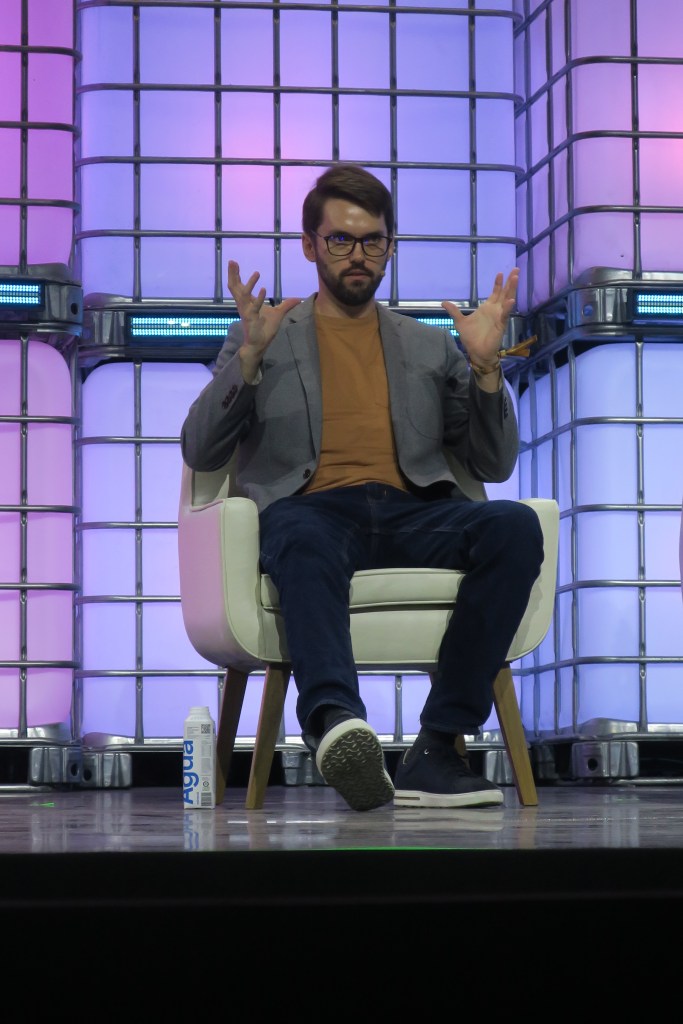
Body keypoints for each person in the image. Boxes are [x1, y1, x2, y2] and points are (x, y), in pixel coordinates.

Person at [181, 162, 544, 813]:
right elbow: (201, 449)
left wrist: (487, 370)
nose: (357, 255)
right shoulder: (266, 333)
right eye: (341, 239)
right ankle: (336, 723)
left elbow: (492, 464)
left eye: (371, 240)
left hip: (412, 512)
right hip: (310, 513)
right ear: (310, 245)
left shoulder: (429, 346)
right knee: (299, 534)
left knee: (516, 526)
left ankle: (436, 748)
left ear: (390, 246)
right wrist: (248, 361)